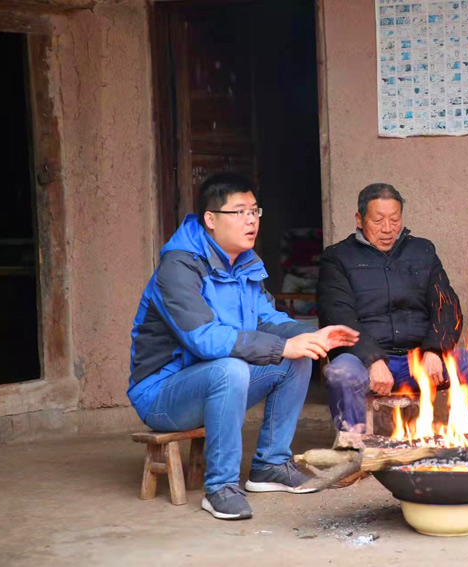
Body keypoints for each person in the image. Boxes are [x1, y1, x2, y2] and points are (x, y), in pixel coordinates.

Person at [127, 172, 358, 520]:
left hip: (213, 380)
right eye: (239, 212)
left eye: (254, 211)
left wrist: (312, 335)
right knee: (232, 368)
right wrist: (281, 347)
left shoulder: (245, 263)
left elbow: (268, 319)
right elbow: (205, 339)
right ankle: (220, 486)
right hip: (162, 394)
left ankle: (270, 465)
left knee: (298, 359)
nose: (251, 220)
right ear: (210, 219)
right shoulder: (178, 268)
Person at [318, 183, 468, 432]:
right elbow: (338, 315)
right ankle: (352, 445)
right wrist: (372, 359)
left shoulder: (423, 251)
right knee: (341, 372)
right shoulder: (337, 257)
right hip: (365, 363)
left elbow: (446, 306)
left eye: (394, 219)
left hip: (419, 359)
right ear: (359, 219)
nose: (387, 229)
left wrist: (435, 350)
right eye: (378, 220)